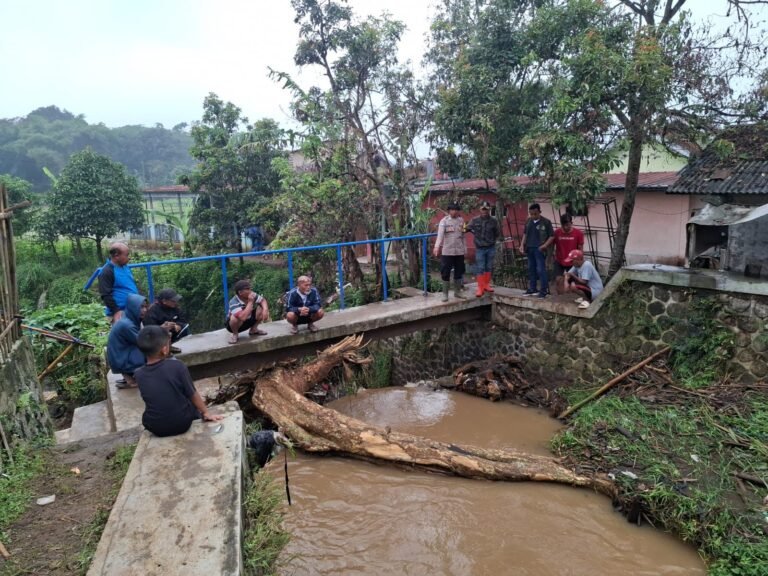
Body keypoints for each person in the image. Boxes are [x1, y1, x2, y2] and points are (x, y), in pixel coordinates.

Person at [135, 325, 224, 437]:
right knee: (190, 405)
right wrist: (206, 412)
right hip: (182, 424)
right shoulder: (177, 366)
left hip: (156, 428)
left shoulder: (138, 374)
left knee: (149, 413)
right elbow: (192, 394)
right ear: (164, 349)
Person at [106, 293, 147, 389]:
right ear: (133, 307)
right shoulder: (127, 325)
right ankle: (130, 379)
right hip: (120, 359)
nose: (145, 310)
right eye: (141, 307)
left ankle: (129, 376)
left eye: (146, 307)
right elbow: (142, 342)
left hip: (120, 356)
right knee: (147, 350)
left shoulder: (128, 318)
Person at [432, 201, 467, 302]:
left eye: (456, 210)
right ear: (449, 211)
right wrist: (436, 247)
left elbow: (463, 236)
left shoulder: (461, 221)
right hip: (447, 251)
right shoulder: (444, 221)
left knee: (459, 271)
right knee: (445, 271)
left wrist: (465, 248)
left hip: (459, 251)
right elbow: (440, 235)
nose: (454, 211)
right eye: (452, 210)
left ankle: (457, 292)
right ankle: (445, 294)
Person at [98, 242, 139, 324]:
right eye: (126, 255)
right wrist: (116, 311)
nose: (129, 257)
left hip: (132, 310)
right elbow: (106, 295)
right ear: (116, 255)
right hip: (120, 313)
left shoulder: (124, 266)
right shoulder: (107, 271)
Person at [466, 201, 500, 297]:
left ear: (489, 210)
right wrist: (463, 228)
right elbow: (467, 228)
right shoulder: (474, 220)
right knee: (480, 267)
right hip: (480, 248)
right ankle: (480, 288)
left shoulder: (494, 221)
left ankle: (486, 285)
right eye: (483, 209)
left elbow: (497, 233)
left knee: (489, 267)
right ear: (480, 210)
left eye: (486, 209)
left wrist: (492, 241)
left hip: (490, 247)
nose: (484, 211)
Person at [520, 203, 554, 298]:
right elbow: (525, 234)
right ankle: (532, 288)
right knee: (531, 269)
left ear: (539, 212)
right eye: (531, 214)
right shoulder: (528, 221)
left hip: (540, 249)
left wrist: (544, 245)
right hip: (529, 248)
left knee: (541, 270)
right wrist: (522, 245)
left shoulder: (546, 222)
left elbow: (552, 236)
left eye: (535, 214)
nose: (533, 216)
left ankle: (543, 290)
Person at [143, 288, 189, 353]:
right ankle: (162, 349)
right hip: (157, 337)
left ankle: (171, 345)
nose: (175, 302)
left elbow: (183, 320)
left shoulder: (175, 307)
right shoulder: (152, 310)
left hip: (172, 334)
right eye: (173, 300)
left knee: (185, 327)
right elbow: (148, 330)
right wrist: (161, 328)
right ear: (164, 301)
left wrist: (176, 325)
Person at [226, 279, 270, 345]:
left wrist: (265, 310)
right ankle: (235, 334)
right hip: (235, 325)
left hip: (249, 319)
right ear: (240, 292)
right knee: (234, 318)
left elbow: (262, 300)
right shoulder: (233, 302)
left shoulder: (252, 295)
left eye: (250, 288)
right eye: (247, 289)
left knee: (261, 307)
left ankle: (254, 329)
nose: (250, 291)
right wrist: (250, 302)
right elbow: (242, 317)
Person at [553, 214, 585, 295]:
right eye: (564, 225)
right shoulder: (557, 232)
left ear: (571, 223)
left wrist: (581, 260)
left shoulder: (578, 233)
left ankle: (572, 296)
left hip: (572, 262)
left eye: (568, 225)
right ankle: (560, 297)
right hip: (559, 259)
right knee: (558, 279)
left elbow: (580, 248)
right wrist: (550, 256)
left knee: (572, 281)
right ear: (561, 224)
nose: (566, 227)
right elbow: (552, 244)